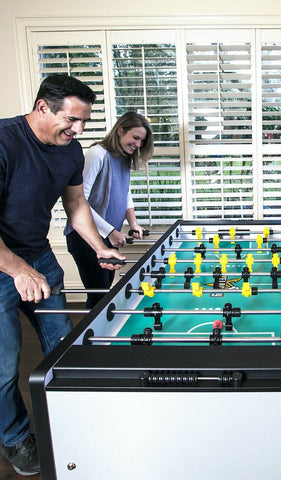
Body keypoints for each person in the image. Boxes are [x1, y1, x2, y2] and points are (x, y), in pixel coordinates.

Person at [0, 74, 125, 476]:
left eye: (84, 121)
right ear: (42, 107)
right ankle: (16, 438)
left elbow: (75, 204)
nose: (79, 130)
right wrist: (19, 270)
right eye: (72, 120)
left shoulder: (69, 150)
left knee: (62, 346)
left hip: (39, 256)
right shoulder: (4, 142)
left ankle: (72, 417)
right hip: (3, 264)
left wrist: (99, 246)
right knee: (5, 365)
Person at [65, 112, 154, 309]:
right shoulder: (97, 153)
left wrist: (133, 223)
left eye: (142, 141)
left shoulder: (124, 158)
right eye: (135, 138)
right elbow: (80, 201)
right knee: (99, 295)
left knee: (104, 293)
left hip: (107, 235)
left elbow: (125, 192)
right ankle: (90, 330)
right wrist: (110, 232)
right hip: (85, 236)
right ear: (120, 130)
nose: (138, 144)